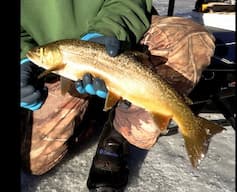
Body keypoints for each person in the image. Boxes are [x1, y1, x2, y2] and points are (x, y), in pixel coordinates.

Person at [21, 0, 215, 191]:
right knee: (36, 163)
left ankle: (122, 132)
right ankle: (93, 113)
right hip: (59, 60)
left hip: (120, 38)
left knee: (191, 39)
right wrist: (22, 56)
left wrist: (109, 31)